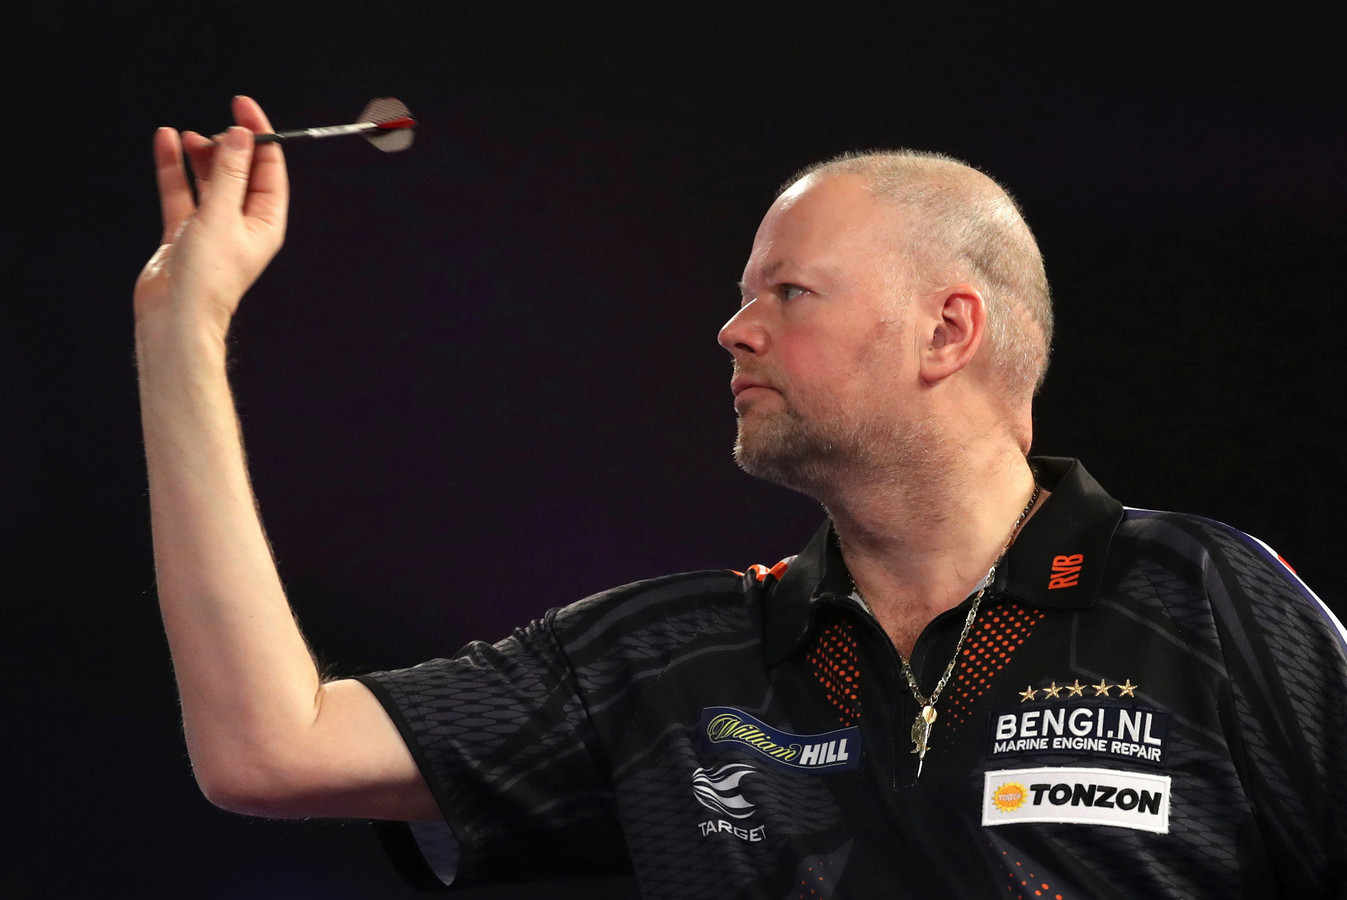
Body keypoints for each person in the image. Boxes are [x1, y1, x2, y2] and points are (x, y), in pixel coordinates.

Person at [136, 96, 1346, 898]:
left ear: (947, 330)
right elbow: (268, 749)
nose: (733, 329)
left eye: (789, 293)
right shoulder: (669, 661)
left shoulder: (1204, 601)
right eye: (741, 295)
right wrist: (180, 328)